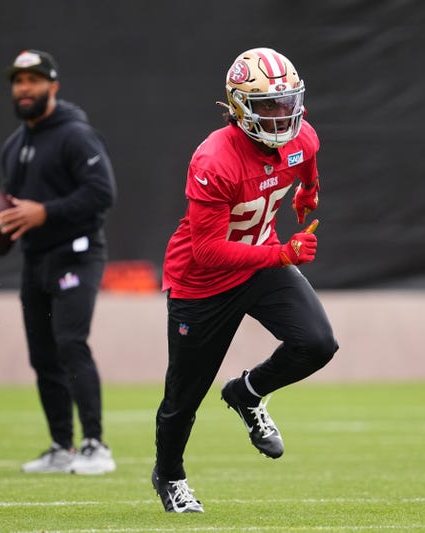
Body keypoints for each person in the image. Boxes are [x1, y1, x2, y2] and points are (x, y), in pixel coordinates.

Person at [151, 47, 339, 513]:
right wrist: (281, 253)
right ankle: (169, 476)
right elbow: (207, 250)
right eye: (268, 106)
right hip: (203, 281)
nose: (282, 115)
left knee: (317, 343)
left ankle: (247, 393)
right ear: (239, 107)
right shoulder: (214, 160)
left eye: (287, 102)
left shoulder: (302, 138)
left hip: (256, 264)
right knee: (184, 397)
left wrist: (308, 193)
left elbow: (307, 161)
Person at [0, 49, 118, 473]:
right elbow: (14, 207)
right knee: (43, 355)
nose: (25, 88)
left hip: (78, 253)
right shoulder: (13, 146)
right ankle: (60, 447)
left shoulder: (76, 135)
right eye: (18, 81)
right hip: (36, 260)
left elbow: (102, 193)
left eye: (33, 80)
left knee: (71, 343)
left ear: (52, 86)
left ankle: (95, 445)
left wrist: (45, 212)